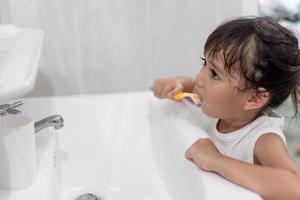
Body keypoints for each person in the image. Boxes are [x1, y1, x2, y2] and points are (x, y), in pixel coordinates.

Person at [152, 17, 300, 200]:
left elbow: (295, 187)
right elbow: (190, 86)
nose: (199, 78)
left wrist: (217, 160)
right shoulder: (225, 107)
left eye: (214, 74)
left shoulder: (263, 138)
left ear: (254, 98)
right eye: (204, 63)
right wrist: (174, 83)